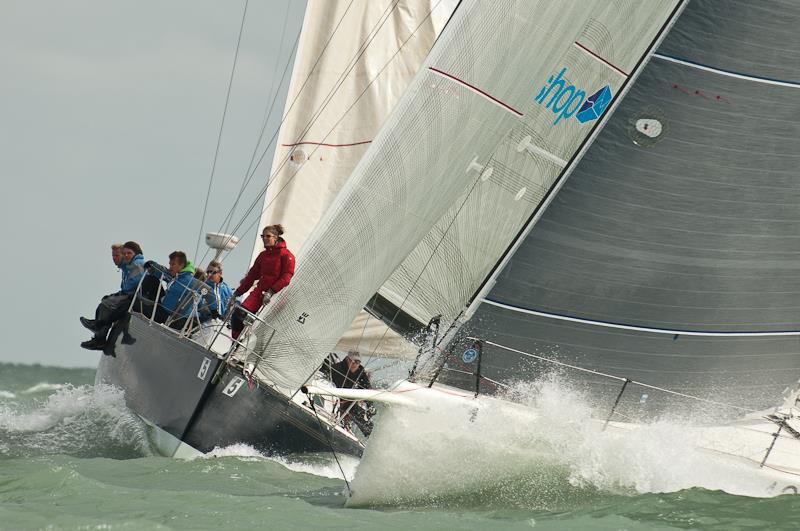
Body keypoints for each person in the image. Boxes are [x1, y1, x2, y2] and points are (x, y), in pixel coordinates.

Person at [230, 224, 295, 339]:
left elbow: (287, 277)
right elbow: (251, 276)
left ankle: (242, 349)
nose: (264, 239)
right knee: (237, 315)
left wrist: (271, 291)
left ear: (276, 237)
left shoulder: (286, 255)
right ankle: (234, 347)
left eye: (268, 236)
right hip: (259, 293)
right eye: (262, 236)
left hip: (276, 296)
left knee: (261, 327)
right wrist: (237, 293)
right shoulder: (263, 256)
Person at [80, 241, 145, 350]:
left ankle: (99, 336)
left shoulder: (135, 264)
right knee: (104, 303)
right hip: (130, 294)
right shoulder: (127, 266)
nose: (114, 258)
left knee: (106, 306)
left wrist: (120, 294)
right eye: (113, 256)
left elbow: (133, 284)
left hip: (135, 297)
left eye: (117, 255)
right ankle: (98, 333)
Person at [324, 351, 374, 436]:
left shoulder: (360, 371)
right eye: (353, 361)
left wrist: (370, 406)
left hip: (348, 399)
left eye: (358, 362)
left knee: (368, 425)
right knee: (347, 409)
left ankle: (370, 440)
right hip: (335, 397)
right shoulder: (337, 368)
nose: (355, 364)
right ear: (347, 359)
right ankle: (343, 422)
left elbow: (366, 388)